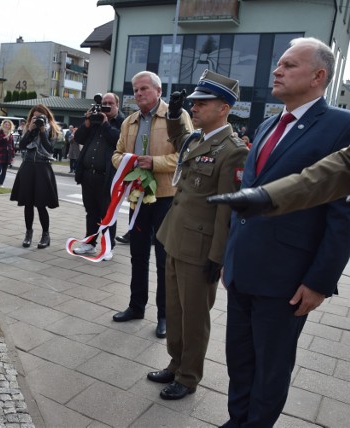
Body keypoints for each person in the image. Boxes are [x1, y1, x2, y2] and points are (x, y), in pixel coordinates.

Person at [217, 37, 350, 427]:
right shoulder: (269, 123)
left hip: (288, 279)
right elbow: (248, 199)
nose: (277, 70)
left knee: (271, 367)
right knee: (239, 358)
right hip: (244, 270)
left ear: (318, 76)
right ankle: (236, 419)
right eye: (279, 64)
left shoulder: (341, 126)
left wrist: (320, 282)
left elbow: (341, 214)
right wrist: (230, 257)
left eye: (289, 65)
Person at [146, 70, 249, 401]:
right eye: (195, 103)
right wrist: (175, 117)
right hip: (176, 238)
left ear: (224, 107)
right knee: (174, 310)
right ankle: (175, 364)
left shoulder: (232, 150)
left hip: (200, 249)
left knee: (194, 317)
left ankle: (189, 377)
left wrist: (217, 257)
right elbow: (179, 141)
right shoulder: (198, 139)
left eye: (202, 103)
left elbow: (226, 210)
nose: (197, 108)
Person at [111, 71, 192, 341]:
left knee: (164, 259)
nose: (138, 94)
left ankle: (164, 315)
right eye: (135, 90)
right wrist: (129, 162)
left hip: (167, 195)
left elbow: (186, 156)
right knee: (137, 253)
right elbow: (117, 154)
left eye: (144, 89)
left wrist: (153, 163)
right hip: (138, 194)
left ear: (158, 91)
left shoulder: (176, 116)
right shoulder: (130, 121)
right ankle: (136, 306)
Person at [208, 145, 350, 216]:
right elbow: (341, 166)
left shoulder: (343, 123)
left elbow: (338, 217)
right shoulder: (267, 126)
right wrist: (267, 196)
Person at [72, 92, 125, 261]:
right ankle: (90, 243)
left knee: (107, 213)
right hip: (89, 175)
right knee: (91, 212)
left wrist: (105, 124)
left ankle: (108, 246)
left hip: (108, 177)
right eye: (104, 103)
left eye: (110, 103)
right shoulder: (94, 119)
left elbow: (118, 141)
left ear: (117, 105)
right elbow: (79, 138)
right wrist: (87, 122)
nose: (106, 106)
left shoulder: (123, 122)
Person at [11, 104, 60, 249]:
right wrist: (31, 129)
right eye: (34, 117)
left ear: (46, 117)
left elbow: (49, 149)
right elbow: (22, 146)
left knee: (40, 204)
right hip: (27, 166)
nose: (37, 119)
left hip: (42, 166)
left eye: (40, 117)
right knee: (28, 203)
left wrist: (43, 131)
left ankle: (46, 235)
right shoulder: (29, 127)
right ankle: (28, 234)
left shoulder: (51, 129)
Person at [0, 119, 15, 186]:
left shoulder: (11, 134)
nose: (7, 126)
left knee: (4, 170)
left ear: (10, 126)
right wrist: (4, 138)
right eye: (5, 124)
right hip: (0, 153)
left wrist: (12, 156)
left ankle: (1, 184)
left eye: (8, 125)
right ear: (3, 125)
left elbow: (12, 145)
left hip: (7, 154)